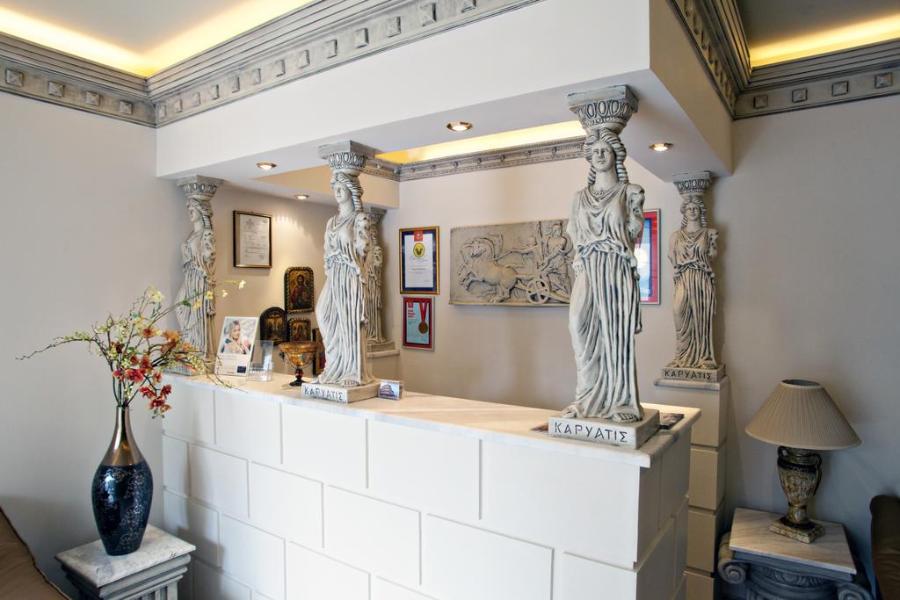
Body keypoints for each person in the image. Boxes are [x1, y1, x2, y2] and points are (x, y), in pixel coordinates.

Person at [562, 128, 645, 423]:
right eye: (594, 151)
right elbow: (574, 232)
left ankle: (620, 402)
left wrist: (635, 211)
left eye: (604, 150)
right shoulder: (579, 198)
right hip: (588, 265)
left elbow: (633, 232)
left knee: (615, 334)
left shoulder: (629, 192)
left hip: (615, 267)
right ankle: (587, 400)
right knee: (578, 324)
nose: (599, 155)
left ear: (615, 156)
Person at [314, 170, 373, 387]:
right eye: (335, 189)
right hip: (334, 274)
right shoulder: (331, 222)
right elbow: (326, 252)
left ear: (351, 190)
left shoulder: (359, 219)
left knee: (349, 321)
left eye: (341, 188)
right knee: (323, 313)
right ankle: (334, 367)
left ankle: (352, 370)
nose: (337, 192)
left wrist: (362, 241)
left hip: (350, 275)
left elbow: (365, 251)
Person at [669, 196, 719, 369]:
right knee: (678, 311)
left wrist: (713, 244)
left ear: (700, 211)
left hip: (701, 278)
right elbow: (671, 256)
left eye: (695, 208)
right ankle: (681, 357)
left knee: (701, 317)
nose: (692, 211)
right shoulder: (676, 236)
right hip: (683, 278)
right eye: (689, 208)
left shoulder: (709, 233)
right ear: (684, 211)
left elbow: (712, 256)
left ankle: (703, 357)